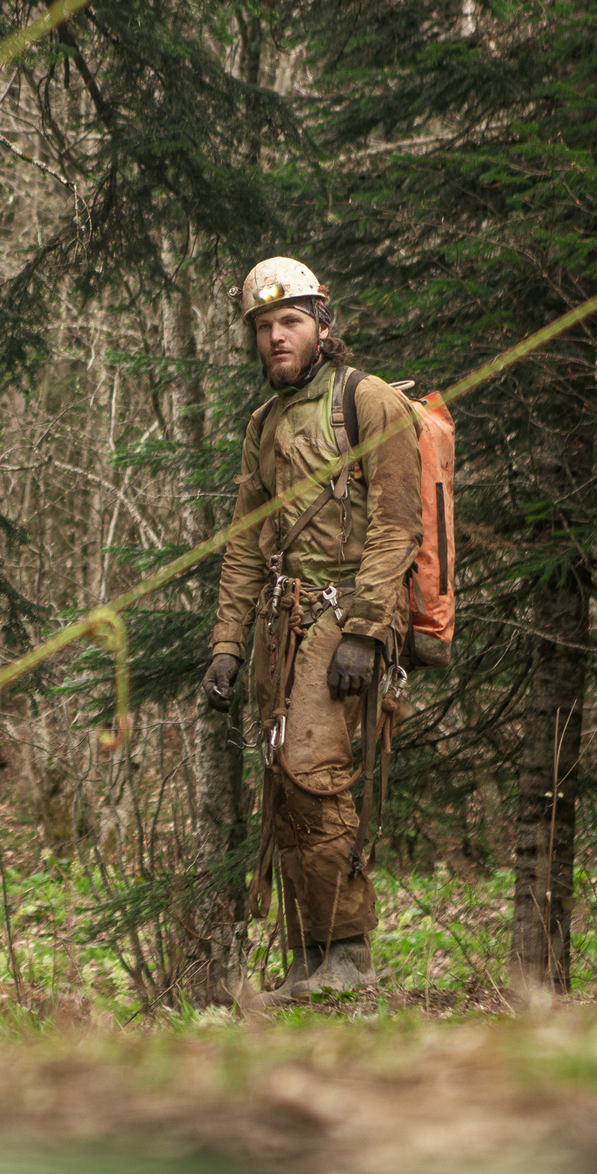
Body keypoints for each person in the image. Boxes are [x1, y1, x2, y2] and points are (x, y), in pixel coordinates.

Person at [203, 257, 421, 1006]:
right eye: (262, 327)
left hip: (352, 611)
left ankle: (350, 955)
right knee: (283, 785)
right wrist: (227, 645)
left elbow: (399, 525)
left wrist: (364, 630)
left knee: (313, 769)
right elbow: (243, 543)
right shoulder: (263, 426)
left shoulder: (371, 402)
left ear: (322, 323)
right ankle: (307, 957)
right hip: (283, 619)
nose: (275, 337)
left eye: (289, 321)